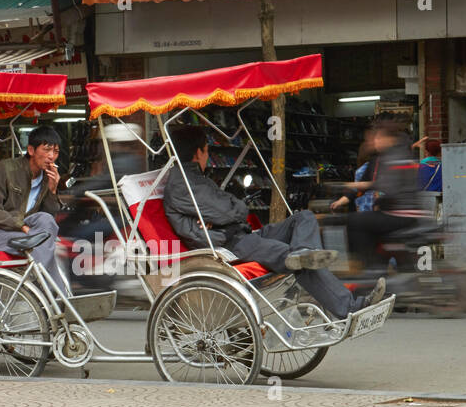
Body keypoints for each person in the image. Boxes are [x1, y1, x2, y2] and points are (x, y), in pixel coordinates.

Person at [163, 126, 385, 320]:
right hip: (228, 245)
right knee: (292, 257)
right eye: (207, 151)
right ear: (198, 152)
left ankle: (305, 251)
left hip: (242, 235)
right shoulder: (183, 184)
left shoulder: (195, 179)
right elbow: (230, 210)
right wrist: (229, 211)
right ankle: (350, 307)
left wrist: (227, 212)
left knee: (304, 218)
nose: (207, 156)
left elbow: (234, 209)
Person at [0, 124, 70, 290]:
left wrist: (52, 189)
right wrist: (22, 227)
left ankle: (51, 291)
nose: (51, 156)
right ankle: (51, 291)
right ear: (31, 150)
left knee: (45, 221)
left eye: (56, 151)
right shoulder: (5, 169)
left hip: (20, 231)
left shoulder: (46, 177)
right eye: (46, 150)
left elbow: (48, 217)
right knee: (39, 243)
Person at [330, 118, 430, 269]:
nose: (374, 141)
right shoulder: (386, 156)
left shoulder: (393, 156)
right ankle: (375, 267)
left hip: (399, 214)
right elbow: (367, 183)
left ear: (387, 138)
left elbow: (389, 188)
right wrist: (344, 197)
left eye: (377, 137)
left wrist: (376, 200)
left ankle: (363, 266)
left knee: (353, 221)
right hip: (400, 213)